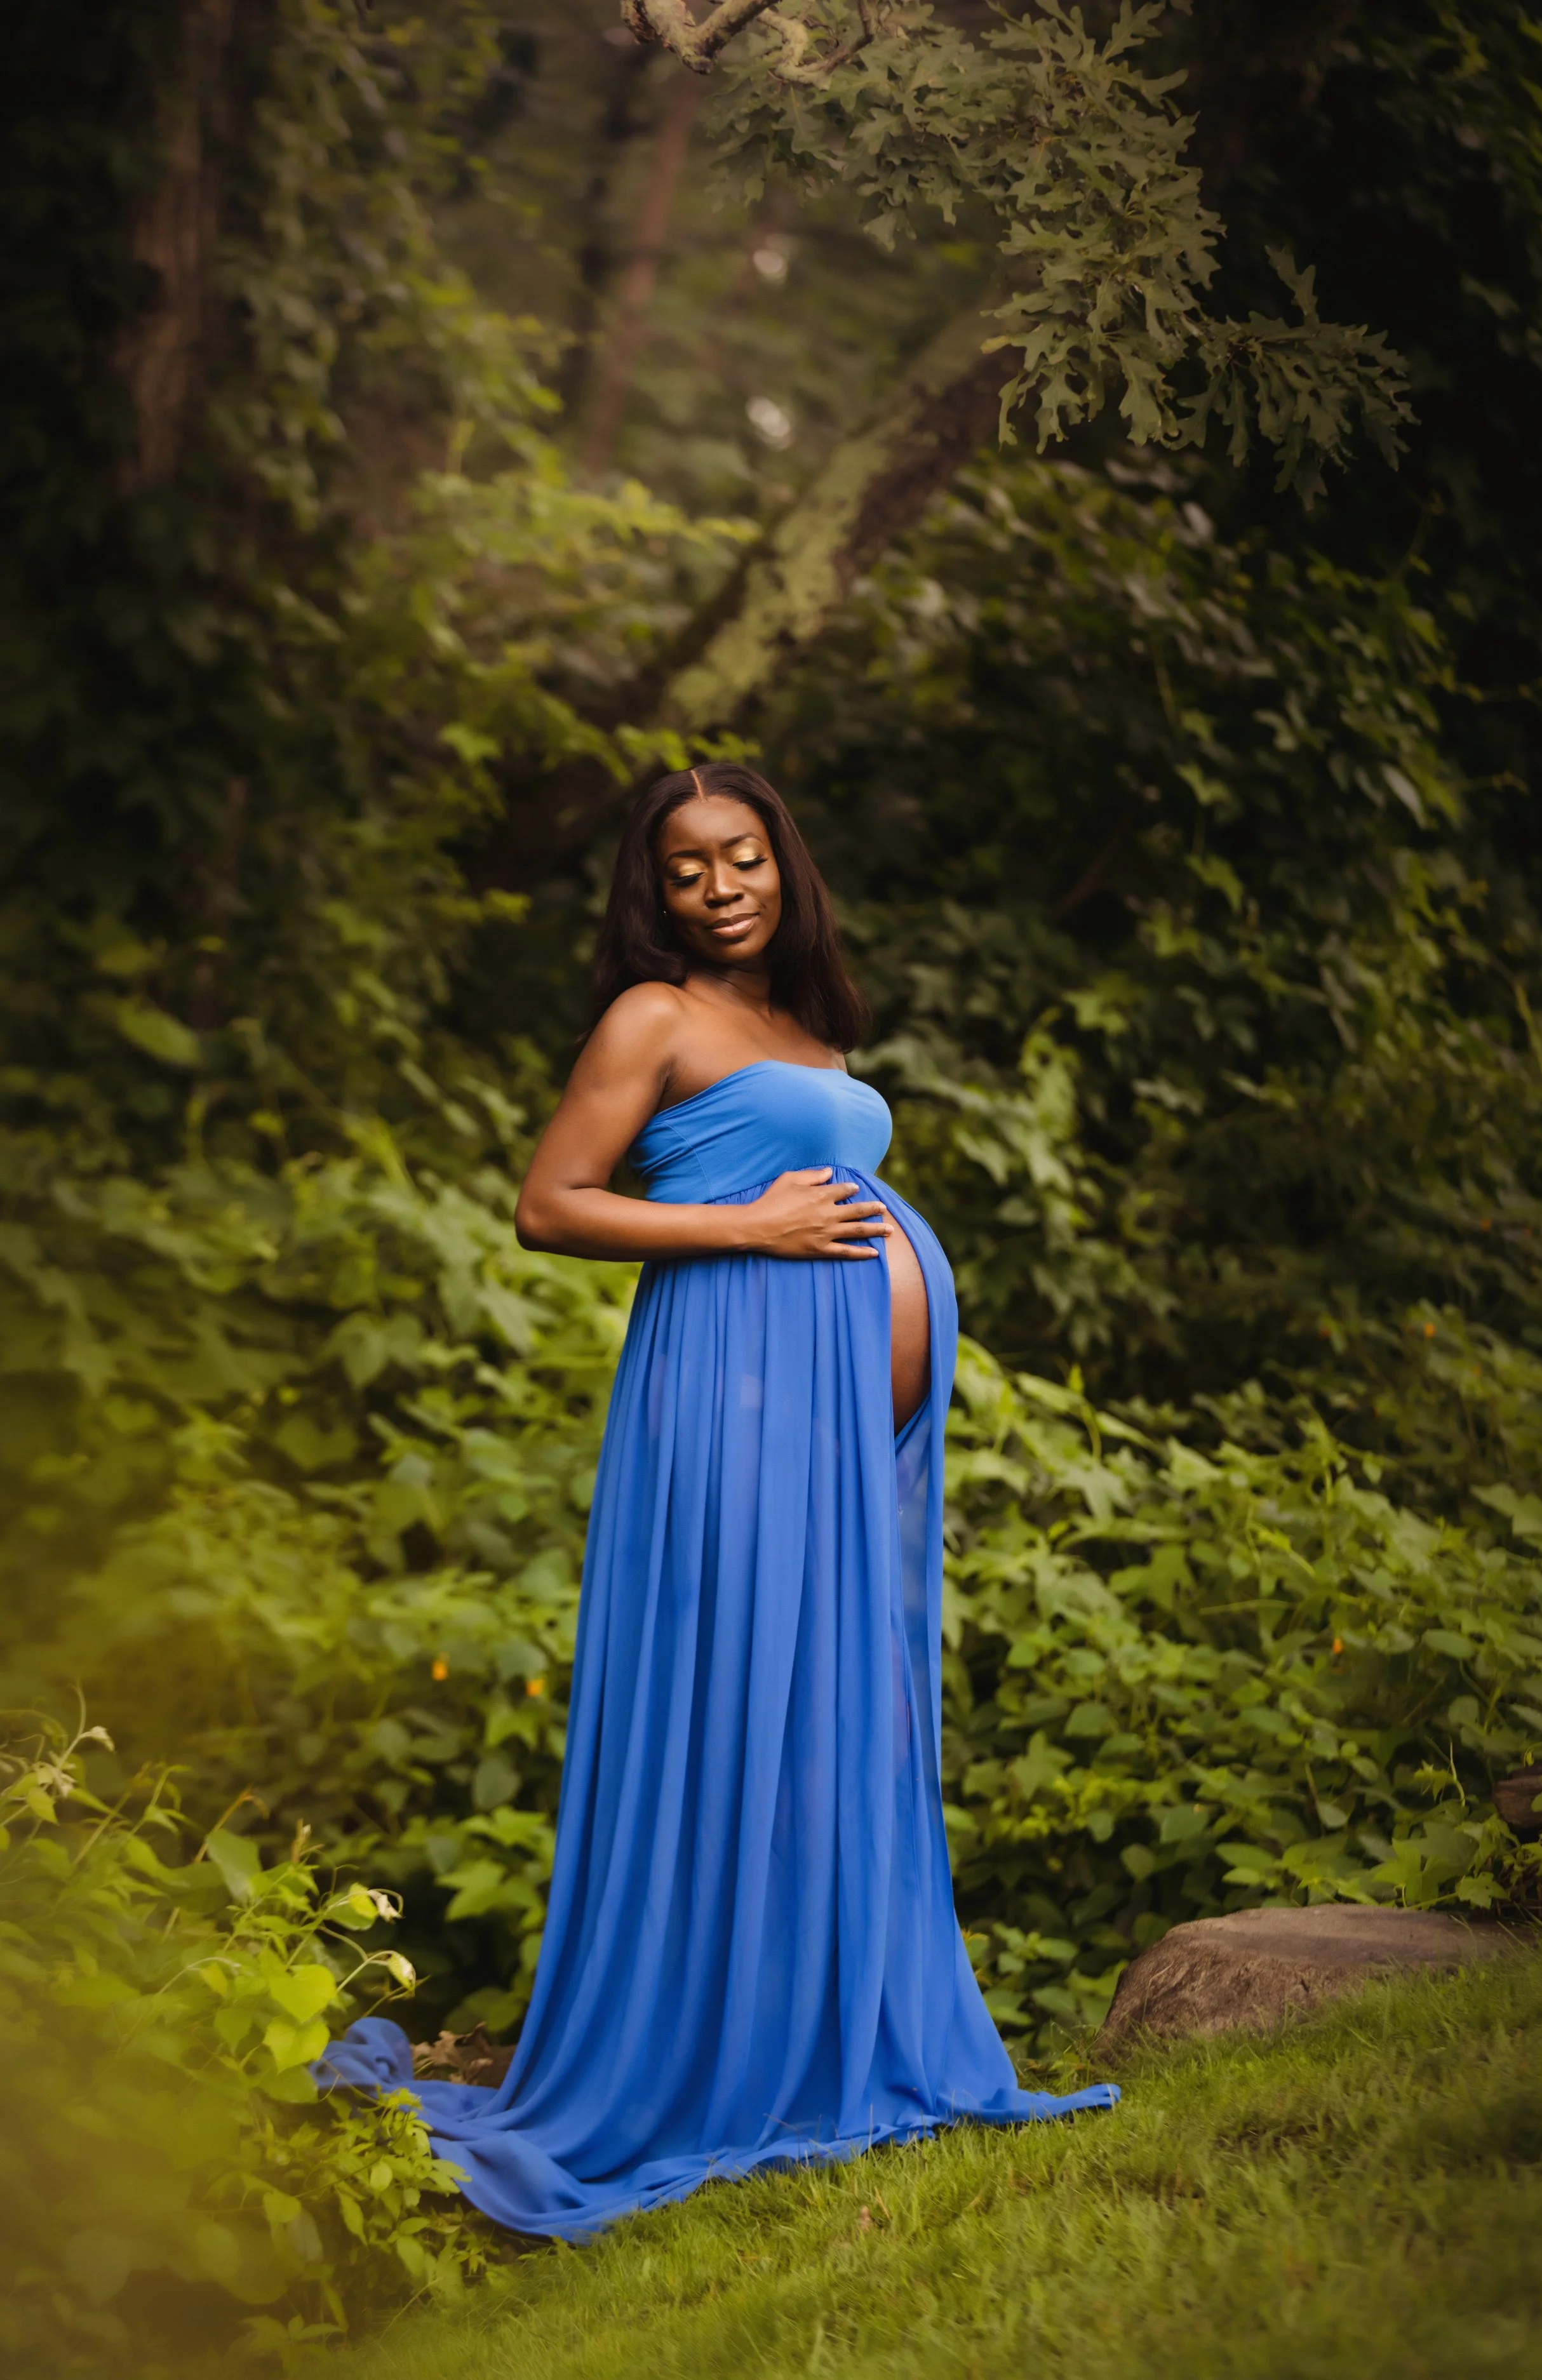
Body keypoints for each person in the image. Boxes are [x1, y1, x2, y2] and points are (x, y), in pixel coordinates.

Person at [319, 762, 1117, 2238]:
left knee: (833, 1714)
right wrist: (741, 1222)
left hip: (836, 1429)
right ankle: (706, 2065)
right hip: (731, 1403)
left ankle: (824, 2044)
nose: (721, 885)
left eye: (742, 855)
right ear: (656, 890)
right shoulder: (653, 1017)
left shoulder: (804, 1022)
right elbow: (548, 1201)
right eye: (687, 868)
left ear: (781, 863)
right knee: (744, 1705)